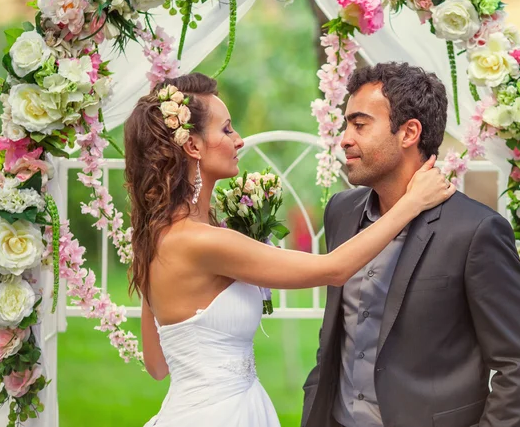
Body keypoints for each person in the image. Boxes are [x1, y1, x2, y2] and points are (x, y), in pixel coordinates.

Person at [123, 72, 455, 427]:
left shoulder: (155, 237)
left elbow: (157, 364)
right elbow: (334, 269)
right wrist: (411, 203)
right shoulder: (202, 241)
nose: (239, 140)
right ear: (192, 146)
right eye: (227, 129)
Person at [301, 62, 520, 427]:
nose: (345, 138)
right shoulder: (341, 212)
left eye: (360, 124)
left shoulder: (477, 231)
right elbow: (335, 336)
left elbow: (519, 364)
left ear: (409, 132)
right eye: (346, 124)